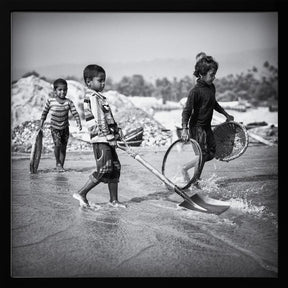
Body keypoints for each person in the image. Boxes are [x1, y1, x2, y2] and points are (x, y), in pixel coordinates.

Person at [72, 64, 127, 208]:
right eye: (99, 80)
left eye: (104, 80)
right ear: (89, 82)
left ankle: (113, 200)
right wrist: (110, 138)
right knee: (104, 170)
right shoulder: (92, 97)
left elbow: (108, 118)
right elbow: (100, 120)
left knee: (115, 168)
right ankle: (82, 193)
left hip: (108, 139)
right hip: (101, 140)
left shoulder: (101, 98)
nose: (103, 83)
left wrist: (116, 131)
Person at [181, 54, 234, 186]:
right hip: (196, 128)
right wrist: (184, 128)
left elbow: (213, 103)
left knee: (210, 153)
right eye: (212, 74)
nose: (214, 77)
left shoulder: (211, 87)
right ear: (203, 74)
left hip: (206, 127)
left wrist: (225, 114)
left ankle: (186, 169)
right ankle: (194, 181)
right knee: (202, 155)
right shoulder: (195, 91)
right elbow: (187, 111)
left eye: (215, 74)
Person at [40, 78, 82, 172]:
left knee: (63, 147)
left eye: (65, 90)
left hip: (65, 128)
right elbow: (44, 113)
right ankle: (58, 163)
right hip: (54, 127)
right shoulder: (50, 101)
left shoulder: (69, 102)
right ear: (55, 91)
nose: (63, 92)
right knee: (57, 145)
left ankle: (61, 166)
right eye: (60, 90)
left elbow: (75, 113)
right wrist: (41, 124)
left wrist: (78, 122)